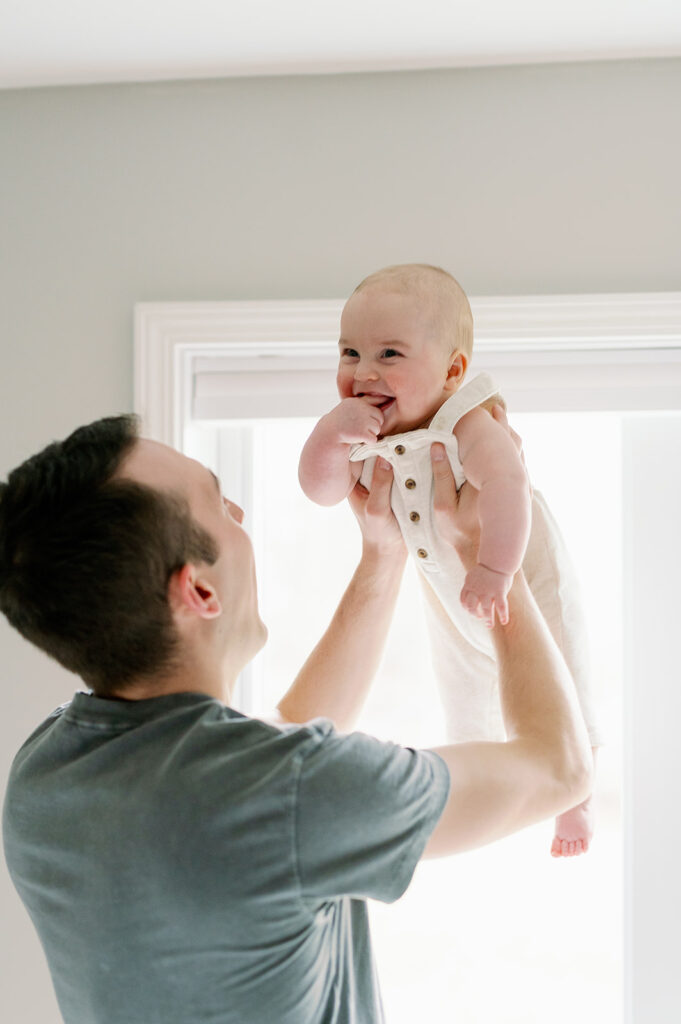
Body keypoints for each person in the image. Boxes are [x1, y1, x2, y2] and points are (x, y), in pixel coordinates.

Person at [1, 413, 591, 1024]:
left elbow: (278, 740)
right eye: (215, 502)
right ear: (199, 592)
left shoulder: (42, 778)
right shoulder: (290, 791)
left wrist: (382, 556)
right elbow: (560, 767)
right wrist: (493, 557)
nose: (238, 512)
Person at [299, 263, 603, 858]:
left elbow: (510, 485)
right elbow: (322, 490)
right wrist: (329, 434)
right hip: (447, 590)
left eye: (389, 354)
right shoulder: (367, 428)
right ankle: (496, 777)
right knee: (462, 682)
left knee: (564, 669)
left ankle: (578, 797)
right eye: (350, 353)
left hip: (518, 570)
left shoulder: (466, 418)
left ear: (453, 370)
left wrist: (494, 569)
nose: (363, 372)